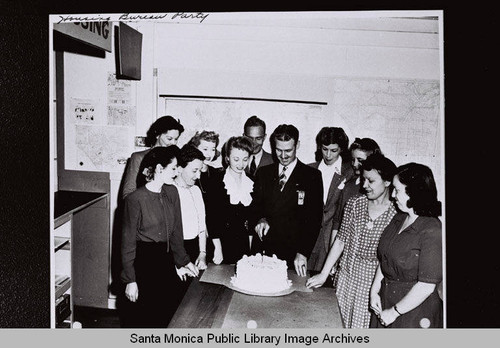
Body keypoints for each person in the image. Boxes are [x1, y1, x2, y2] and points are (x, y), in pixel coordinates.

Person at [306, 153, 397, 328]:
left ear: (387, 182)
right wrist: (324, 274)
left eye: (371, 181)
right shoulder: (355, 204)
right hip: (346, 281)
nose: (364, 185)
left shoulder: (395, 214)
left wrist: (375, 291)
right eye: (363, 180)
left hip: (372, 287)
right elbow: (340, 241)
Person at [120, 146, 198, 328]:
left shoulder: (172, 192)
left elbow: (176, 232)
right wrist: (130, 280)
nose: (178, 172)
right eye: (174, 168)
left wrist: (184, 261)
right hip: (144, 262)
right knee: (144, 319)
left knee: (167, 317)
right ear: (158, 169)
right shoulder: (135, 199)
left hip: (166, 260)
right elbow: (127, 244)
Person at [370, 163, 443, 328]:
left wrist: (395, 311)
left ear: (414, 193)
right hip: (386, 301)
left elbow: (426, 286)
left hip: (414, 312)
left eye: (397, 190)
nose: (393, 195)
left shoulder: (432, 229)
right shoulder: (399, 218)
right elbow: (385, 259)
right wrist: (374, 291)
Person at [250, 124, 323, 276]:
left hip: (292, 255)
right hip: (263, 252)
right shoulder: (263, 173)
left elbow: (314, 220)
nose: (283, 156)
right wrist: (260, 219)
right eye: (278, 150)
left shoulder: (312, 176)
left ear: (298, 145)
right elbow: (254, 208)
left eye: (288, 150)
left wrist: (303, 252)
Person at [307, 127, 354, 272]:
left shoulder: (350, 173)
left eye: (333, 150)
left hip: (334, 240)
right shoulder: (309, 170)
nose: (328, 155)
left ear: (342, 150)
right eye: (324, 149)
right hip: (309, 239)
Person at [209, 136, 255, 264]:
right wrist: (218, 249)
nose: (241, 164)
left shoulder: (252, 182)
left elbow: (252, 219)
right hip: (221, 244)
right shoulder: (217, 181)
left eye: (245, 159)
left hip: (244, 244)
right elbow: (212, 219)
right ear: (227, 158)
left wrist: (250, 250)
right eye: (236, 159)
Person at [121, 115, 184, 199]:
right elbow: (128, 193)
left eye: (176, 139)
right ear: (157, 135)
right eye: (169, 138)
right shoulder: (139, 157)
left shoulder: (176, 159)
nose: (173, 143)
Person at [173, 144, 208, 271]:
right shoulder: (170, 190)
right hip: (174, 251)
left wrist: (202, 253)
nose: (198, 176)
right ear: (180, 168)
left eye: (200, 170)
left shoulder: (196, 190)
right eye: (194, 171)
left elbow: (201, 226)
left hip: (194, 249)